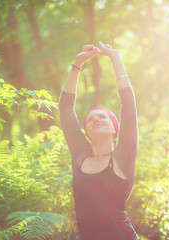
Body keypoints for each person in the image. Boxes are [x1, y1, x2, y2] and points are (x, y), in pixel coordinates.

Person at [59, 41, 138, 240]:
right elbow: (66, 108)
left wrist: (114, 56)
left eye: (102, 117)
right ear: (85, 131)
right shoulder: (80, 155)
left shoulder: (122, 156)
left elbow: (128, 102)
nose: (96, 119)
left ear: (114, 129)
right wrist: (78, 63)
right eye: (91, 119)